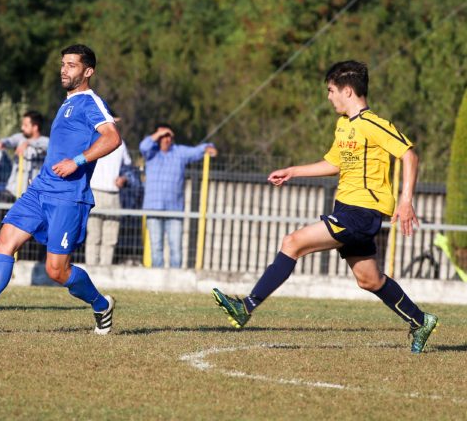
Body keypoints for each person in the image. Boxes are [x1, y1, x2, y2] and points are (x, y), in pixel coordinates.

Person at [212, 60, 438, 354]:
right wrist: (293, 171)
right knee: (369, 280)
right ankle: (420, 320)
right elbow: (334, 163)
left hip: (362, 212)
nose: (329, 97)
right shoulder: (344, 125)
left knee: (292, 242)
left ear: (347, 91)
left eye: (331, 90)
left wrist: (406, 200)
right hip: (347, 209)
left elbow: (409, 155)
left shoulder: (373, 124)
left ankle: (246, 306)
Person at [0, 44, 121, 335]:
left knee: (56, 271)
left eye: (72, 65)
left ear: (88, 71)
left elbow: (112, 138)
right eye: (63, 64)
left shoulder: (90, 102)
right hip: (40, 190)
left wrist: (77, 161)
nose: (64, 70)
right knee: (4, 242)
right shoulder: (67, 102)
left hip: (68, 197)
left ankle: (101, 305)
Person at [140, 124, 217, 268]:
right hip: (153, 208)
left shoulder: (179, 152)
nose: (166, 139)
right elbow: (143, 146)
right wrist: (160, 133)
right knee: (156, 248)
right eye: (163, 136)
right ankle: (157, 278)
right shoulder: (151, 153)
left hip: (174, 209)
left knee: (176, 248)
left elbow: (196, 151)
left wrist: (208, 147)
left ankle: (175, 277)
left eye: (169, 135)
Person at [85, 118, 132, 266]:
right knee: (94, 236)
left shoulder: (121, 143)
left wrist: (124, 178)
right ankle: (91, 268)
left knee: (110, 238)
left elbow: (128, 168)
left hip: (113, 194)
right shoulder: (91, 140)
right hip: (95, 192)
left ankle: (105, 268)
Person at [0, 110, 49, 200]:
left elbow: (46, 146)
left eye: (26, 125)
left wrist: (28, 143)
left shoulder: (45, 141)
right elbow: (10, 141)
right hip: (13, 192)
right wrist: (2, 142)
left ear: (35, 127)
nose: (22, 128)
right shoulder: (19, 138)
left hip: (34, 193)